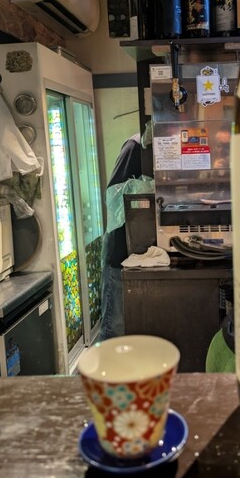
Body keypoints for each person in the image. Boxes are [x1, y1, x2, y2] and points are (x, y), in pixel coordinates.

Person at [99, 133, 142, 341]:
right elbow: (113, 195)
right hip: (119, 244)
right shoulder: (135, 146)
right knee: (114, 323)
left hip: (136, 245)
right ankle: (106, 360)